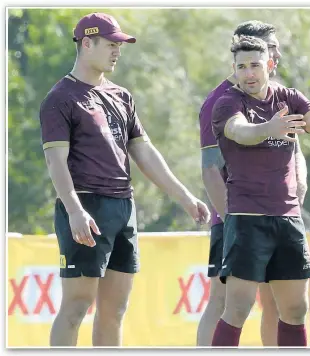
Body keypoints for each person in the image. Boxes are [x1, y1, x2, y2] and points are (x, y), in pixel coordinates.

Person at [39, 12, 210, 347]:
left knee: (114, 311)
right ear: (87, 44)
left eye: (120, 44)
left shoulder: (122, 96)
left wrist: (186, 197)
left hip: (123, 208)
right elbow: (55, 161)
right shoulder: (60, 99)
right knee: (75, 307)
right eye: (111, 44)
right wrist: (74, 210)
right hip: (86, 206)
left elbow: (145, 154)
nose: (117, 51)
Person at [211, 35, 310, 347]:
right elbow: (238, 132)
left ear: (270, 65)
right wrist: (268, 129)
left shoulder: (289, 98)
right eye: (241, 66)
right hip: (247, 218)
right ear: (233, 69)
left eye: (255, 66)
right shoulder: (227, 103)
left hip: (288, 218)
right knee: (237, 308)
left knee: (296, 309)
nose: (248, 73)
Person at [197, 21, 307, 347]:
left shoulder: (277, 94)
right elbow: (210, 168)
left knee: (279, 303)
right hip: (236, 217)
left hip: (278, 215)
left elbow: (294, 148)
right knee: (224, 301)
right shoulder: (219, 100)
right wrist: (232, 220)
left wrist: (297, 190)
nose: (277, 52)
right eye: (270, 45)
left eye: (274, 48)